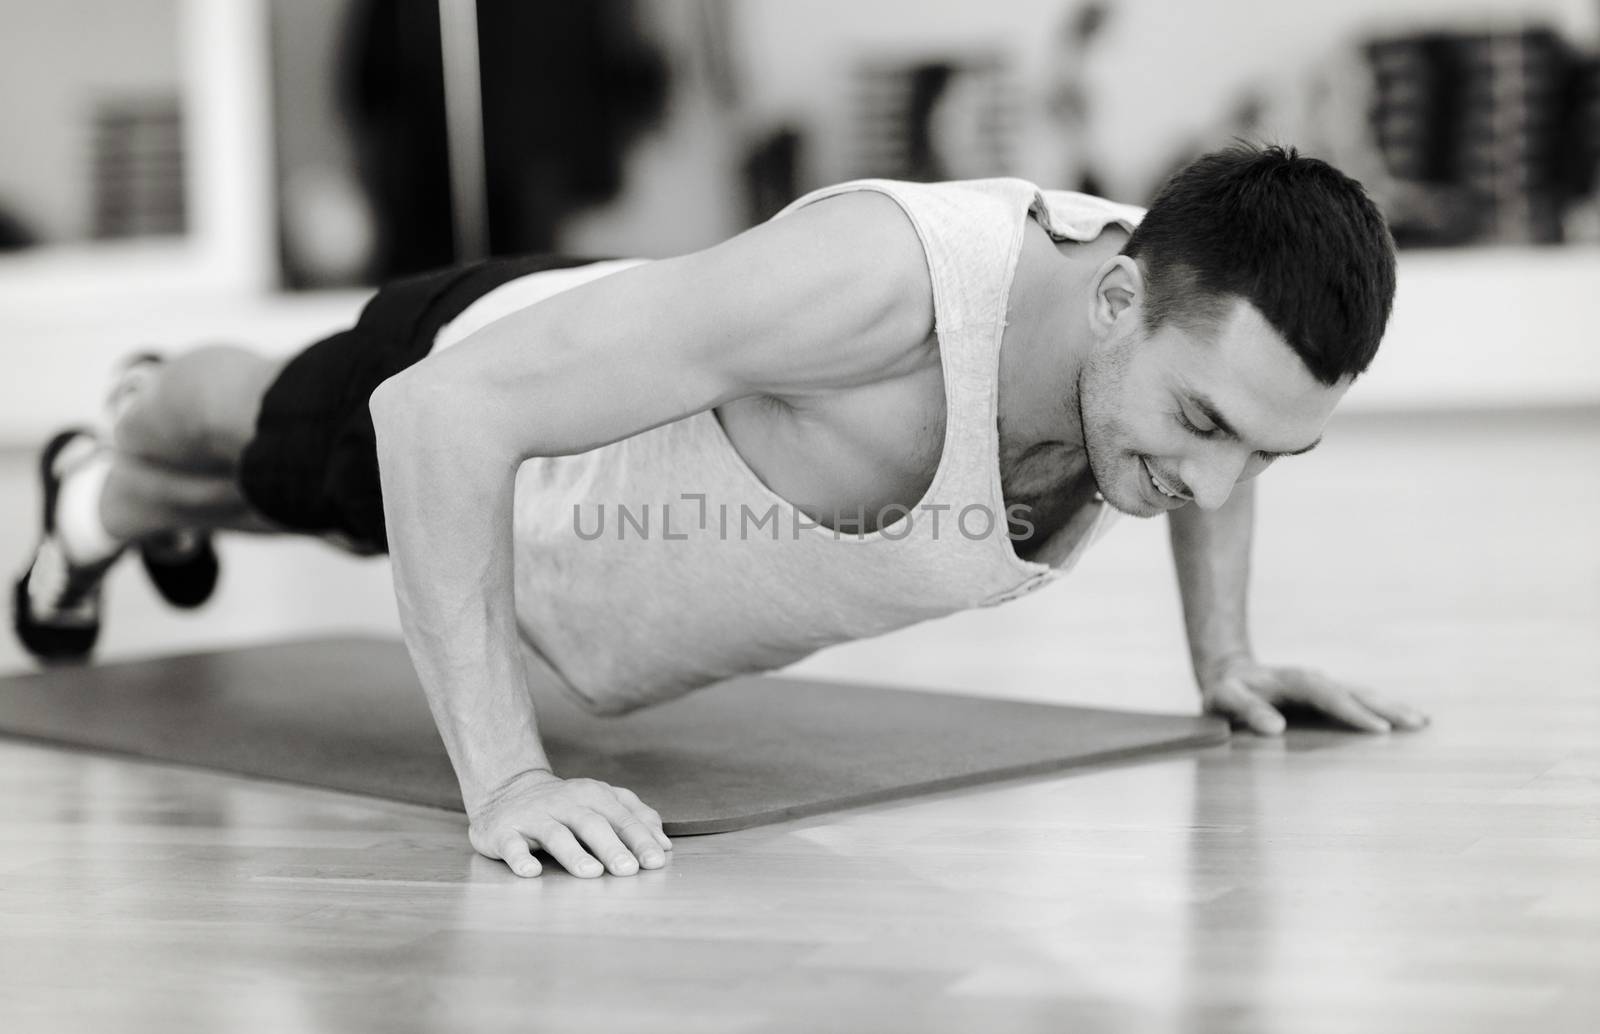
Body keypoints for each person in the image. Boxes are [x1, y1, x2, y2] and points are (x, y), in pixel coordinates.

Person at [12, 143, 1431, 880]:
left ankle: (125, 495)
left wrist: (1226, 657)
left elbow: (1221, 432)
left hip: (577, 574)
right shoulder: (883, 289)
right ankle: (121, 455)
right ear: (1115, 300)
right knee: (268, 444)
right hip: (484, 407)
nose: (1214, 481)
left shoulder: (1173, 323)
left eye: (1266, 455)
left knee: (303, 511)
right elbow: (437, 422)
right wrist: (508, 782)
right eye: (1201, 426)